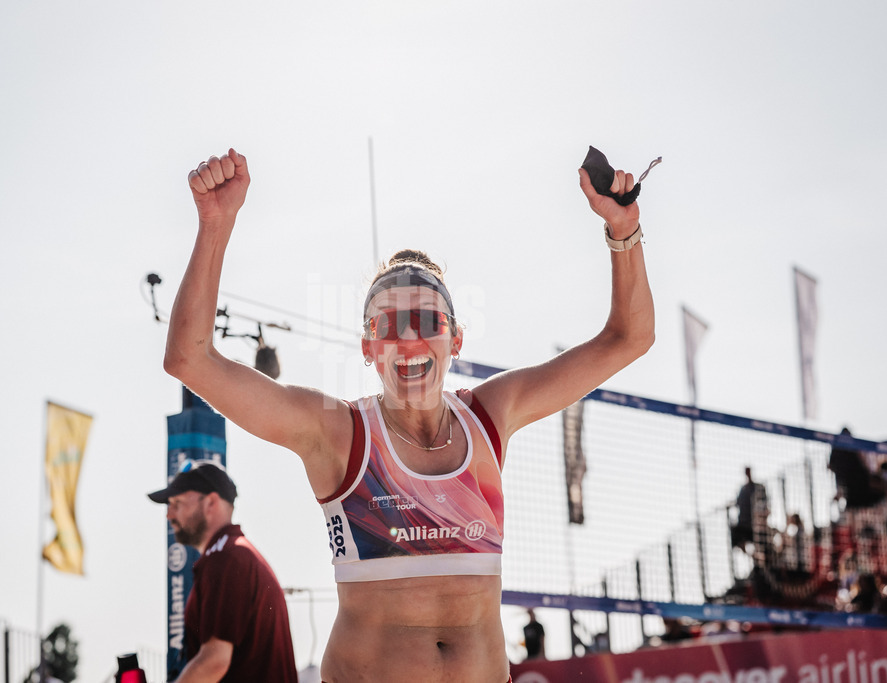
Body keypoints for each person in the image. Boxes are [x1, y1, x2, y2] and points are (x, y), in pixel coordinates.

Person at [165, 148, 654, 682]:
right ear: (368, 349)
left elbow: (629, 338)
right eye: (387, 326)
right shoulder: (338, 432)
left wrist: (624, 231)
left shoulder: (491, 414)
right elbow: (189, 358)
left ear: (456, 339)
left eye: (425, 319)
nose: (409, 338)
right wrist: (215, 224)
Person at [147, 461, 297, 683]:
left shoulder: (224, 558)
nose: (169, 514)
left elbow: (214, 661)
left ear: (210, 502)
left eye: (177, 503)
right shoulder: (236, 552)